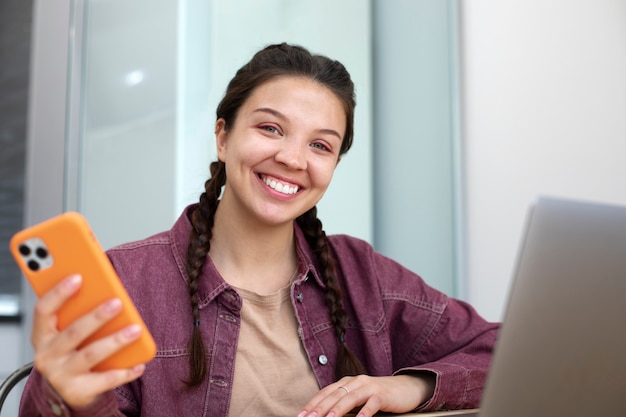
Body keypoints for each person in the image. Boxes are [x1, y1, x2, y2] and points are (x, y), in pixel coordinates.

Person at [19, 43, 498, 417]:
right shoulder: (127, 282)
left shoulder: (361, 273)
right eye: (271, 129)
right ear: (223, 136)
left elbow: (502, 352)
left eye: (320, 145)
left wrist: (409, 386)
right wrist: (64, 397)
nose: (292, 159)